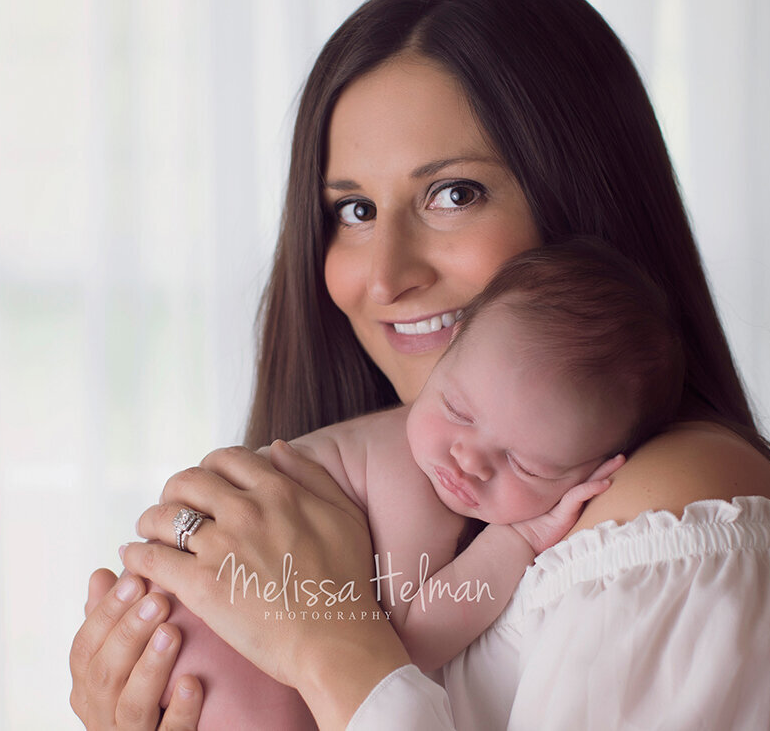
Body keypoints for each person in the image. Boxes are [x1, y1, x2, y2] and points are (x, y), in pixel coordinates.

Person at [70, 0, 770, 730]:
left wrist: (325, 645)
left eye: (452, 194)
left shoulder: (675, 518)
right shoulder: (416, 492)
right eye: (353, 210)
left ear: (578, 197)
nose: (385, 275)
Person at [149, 241, 679, 729]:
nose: (468, 459)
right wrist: (523, 536)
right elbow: (403, 645)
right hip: (210, 630)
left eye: (526, 465)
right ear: (443, 360)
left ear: (594, 471)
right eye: (457, 408)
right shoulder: (404, 472)